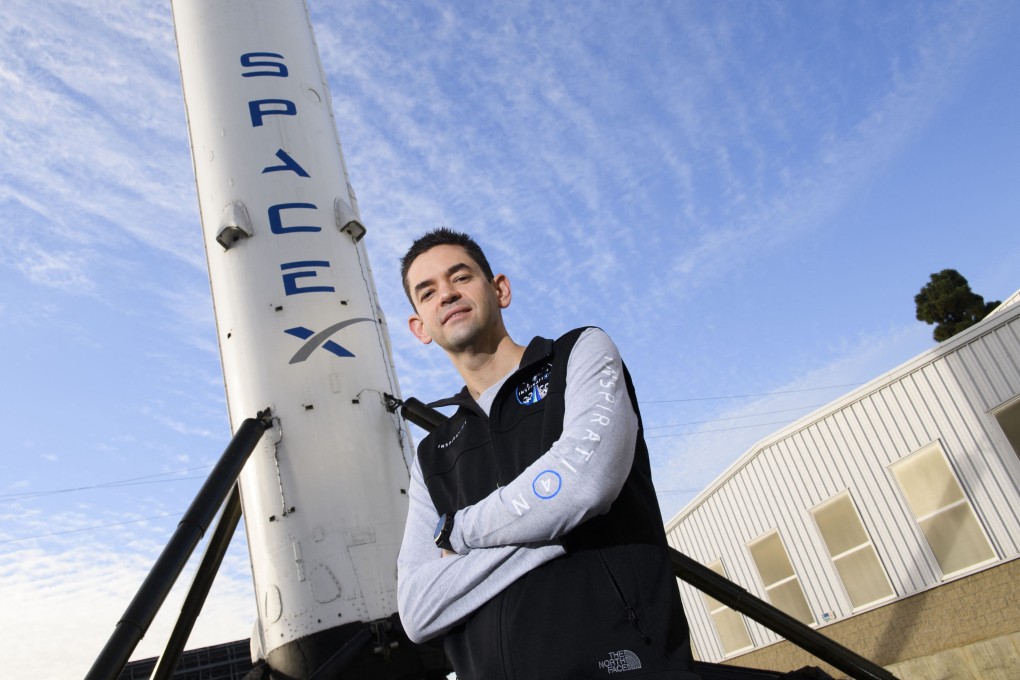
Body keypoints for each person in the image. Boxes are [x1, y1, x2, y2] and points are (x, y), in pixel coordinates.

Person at [396, 228, 698, 679]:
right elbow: (417, 611)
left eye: (461, 277)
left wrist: (458, 534)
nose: (447, 294)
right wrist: (554, 524)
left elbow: (584, 485)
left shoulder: (580, 354)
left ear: (500, 289)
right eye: (428, 291)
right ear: (420, 327)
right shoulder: (432, 456)